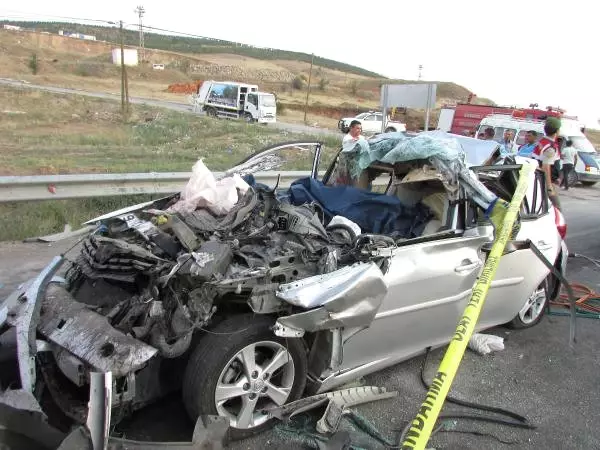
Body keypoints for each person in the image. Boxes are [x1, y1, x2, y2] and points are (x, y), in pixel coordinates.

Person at [532, 117, 562, 208]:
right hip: (546, 181)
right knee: (556, 208)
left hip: (538, 179)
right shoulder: (550, 147)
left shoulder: (542, 142)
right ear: (557, 131)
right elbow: (546, 166)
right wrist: (549, 187)